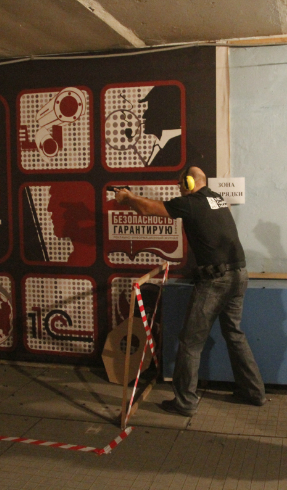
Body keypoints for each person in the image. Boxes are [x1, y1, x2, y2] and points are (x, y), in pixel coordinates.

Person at [114, 166, 266, 416]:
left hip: (216, 280)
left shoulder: (192, 203)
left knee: (190, 342)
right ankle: (254, 391)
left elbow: (148, 209)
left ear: (188, 182)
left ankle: (185, 402)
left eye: (180, 183)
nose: (178, 188)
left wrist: (128, 198)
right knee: (234, 334)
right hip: (239, 275)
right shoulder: (216, 199)